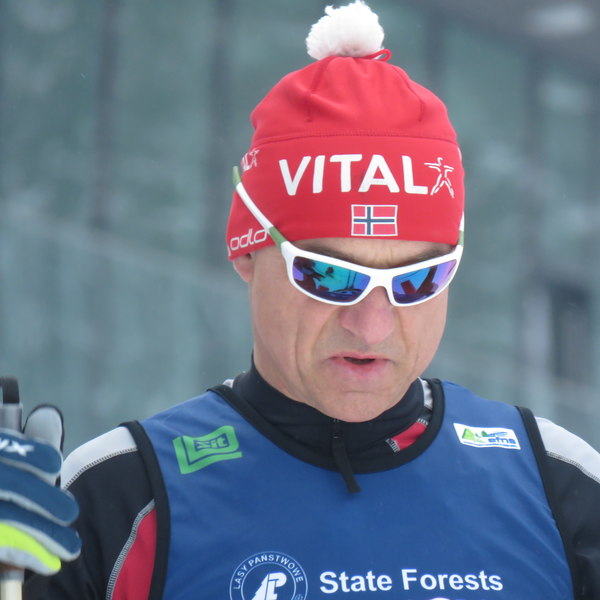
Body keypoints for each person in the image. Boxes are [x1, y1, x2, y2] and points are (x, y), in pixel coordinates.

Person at [2, 1, 599, 598]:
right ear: (246, 253)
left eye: (417, 280)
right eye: (329, 276)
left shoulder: (559, 484)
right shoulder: (119, 495)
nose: (371, 326)